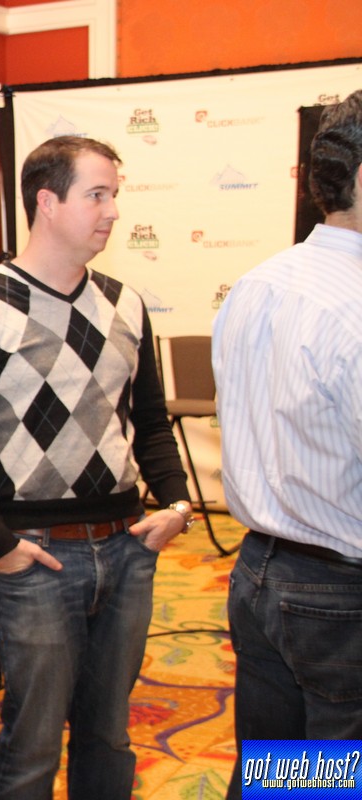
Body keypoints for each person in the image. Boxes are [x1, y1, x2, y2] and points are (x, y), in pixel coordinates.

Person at [0, 136, 192, 800]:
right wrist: (0, 545)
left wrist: (177, 505)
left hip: (128, 549)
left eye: (114, 195)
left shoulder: (126, 304)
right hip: (36, 557)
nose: (113, 211)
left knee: (108, 735)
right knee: (33, 742)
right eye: (96, 195)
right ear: (46, 203)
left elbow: (150, 421)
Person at [212, 90, 362, 798]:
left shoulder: (256, 283)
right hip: (337, 590)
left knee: (279, 775)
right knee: (331, 780)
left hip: (259, 573)